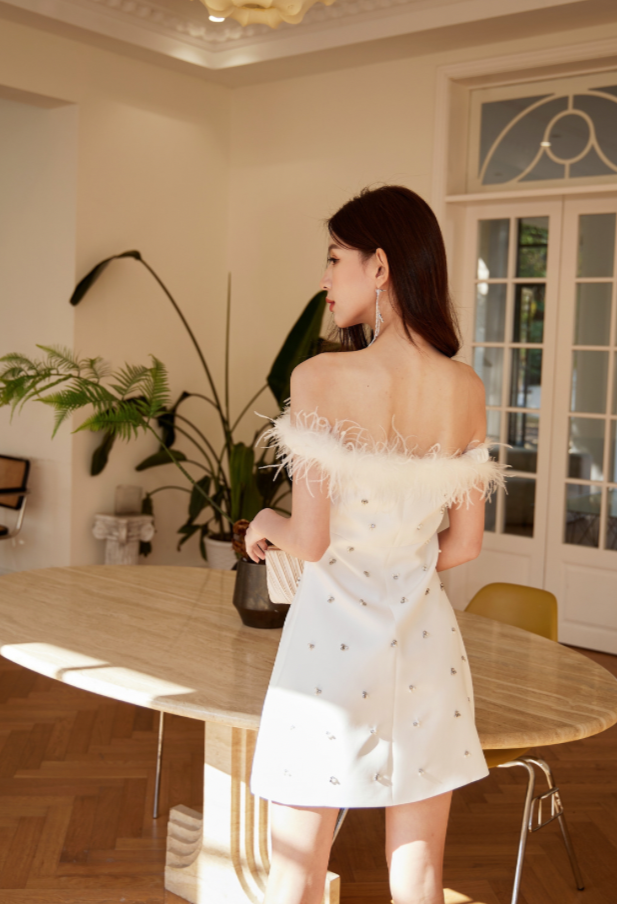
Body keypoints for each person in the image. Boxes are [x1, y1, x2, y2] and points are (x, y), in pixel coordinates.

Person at [244, 185, 507, 904]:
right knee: (419, 879)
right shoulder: (465, 388)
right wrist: (400, 559)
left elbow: (311, 540)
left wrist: (263, 524)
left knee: (295, 874)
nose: (325, 277)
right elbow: (464, 545)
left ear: (381, 267)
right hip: (426, 652)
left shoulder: (320, 378)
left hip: (327, 657)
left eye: (336, 258)